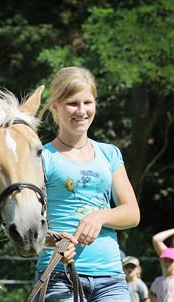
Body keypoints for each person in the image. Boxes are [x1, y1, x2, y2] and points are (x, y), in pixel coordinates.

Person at [34, 66, 141, 301]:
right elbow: (27, 227)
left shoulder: (109, 154)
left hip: (111, 279)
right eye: (72, 103)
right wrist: (54, 242)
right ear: (55, 106)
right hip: (58, 277)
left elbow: (132, 213)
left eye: (88, 102)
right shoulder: (42, 157)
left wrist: (99, 216)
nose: (81, 111)